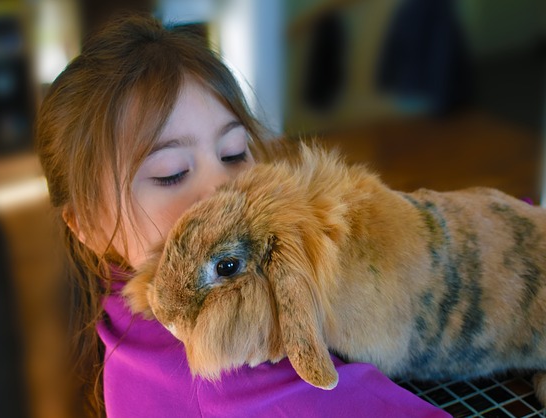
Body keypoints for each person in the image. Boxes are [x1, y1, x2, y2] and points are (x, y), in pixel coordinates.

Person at [35, 13, 450, 418]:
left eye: (234, 153)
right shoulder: (227, 376)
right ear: (87, 224)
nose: (225, 188)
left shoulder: (127, 307)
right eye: (171, 174)